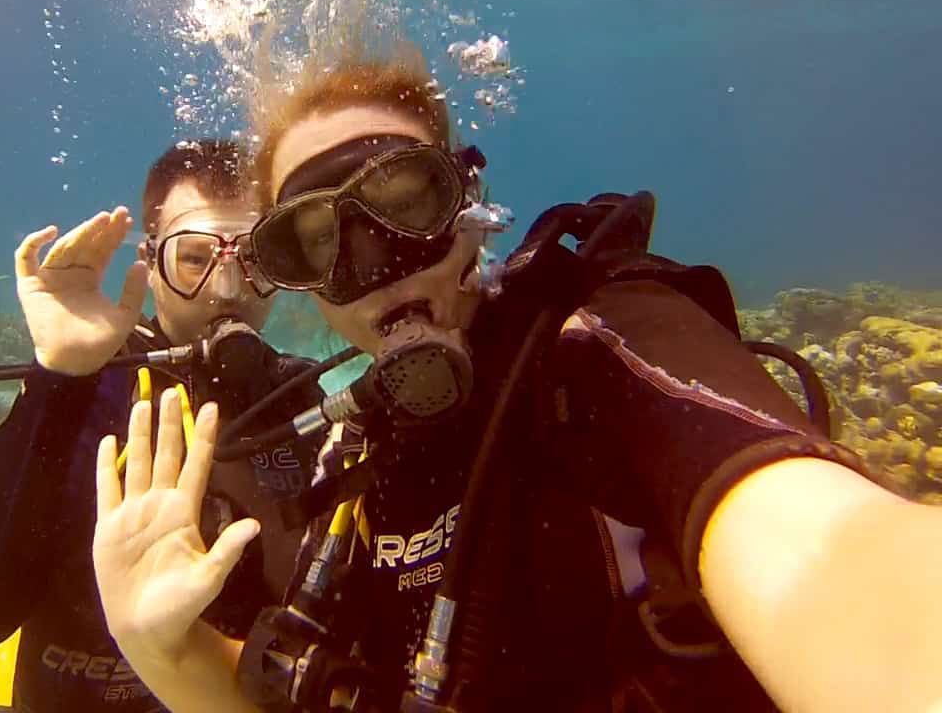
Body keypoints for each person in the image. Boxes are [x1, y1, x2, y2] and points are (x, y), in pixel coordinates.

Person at [89, 47, 942, 713]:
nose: (379, 264)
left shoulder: (600, 350)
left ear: (468, 214)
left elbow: (828, 551)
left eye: (407, 198)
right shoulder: (346, 471)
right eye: (316, 240)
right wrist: (164, 646)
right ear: (298, 281)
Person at [0, 139, 325, 713]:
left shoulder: (301, 402)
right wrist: (58, 380)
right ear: (151, 264)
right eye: (194, 258)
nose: (229, 289)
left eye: (257, 259)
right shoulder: (85, 391)